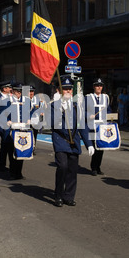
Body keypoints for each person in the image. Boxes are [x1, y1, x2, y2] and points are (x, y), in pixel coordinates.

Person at [51, 77, 94, 207]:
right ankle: (58, 195)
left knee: (72, 170)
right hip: (61, 141)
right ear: (59, 90)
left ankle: (68, 196)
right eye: (65, 89)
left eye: (70, 88)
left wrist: (89, 143)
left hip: (74, 142)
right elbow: (53, 123)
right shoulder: (53, 105)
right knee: (62, 166)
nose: (68, 91)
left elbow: (82, 125)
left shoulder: (77, 105)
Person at [86, 78, 112, 176]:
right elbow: (83, 110)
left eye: (100, 86)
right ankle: (93, 167)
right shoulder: (88, 97)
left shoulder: (106, 97)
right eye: (97, 85)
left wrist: (109, 116)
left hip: (103, 127)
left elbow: (108, 109)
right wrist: (89, 115)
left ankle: (98, 167)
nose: (99, 87)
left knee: (101, 148)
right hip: (92, 127)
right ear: (94, 87)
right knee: (95, 147)